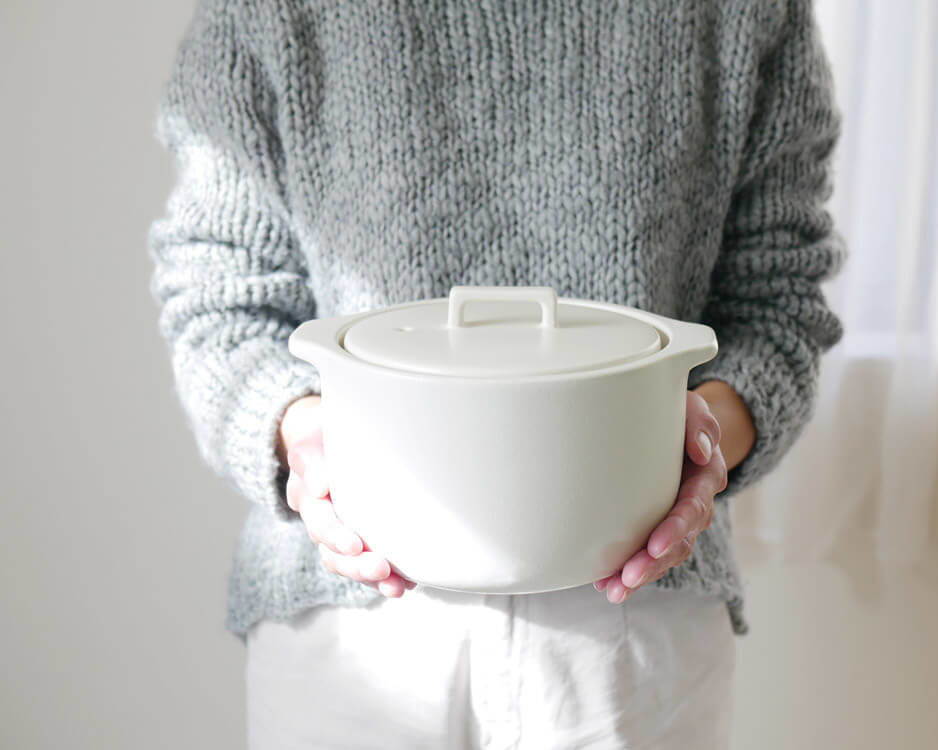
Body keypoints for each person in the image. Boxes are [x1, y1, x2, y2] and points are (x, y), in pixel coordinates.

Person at [148, 0, 845, 746]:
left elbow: (778, 306)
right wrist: (306, 438)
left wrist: (698, 447)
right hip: (347, 624)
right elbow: (222, 300)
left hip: (635, 628)